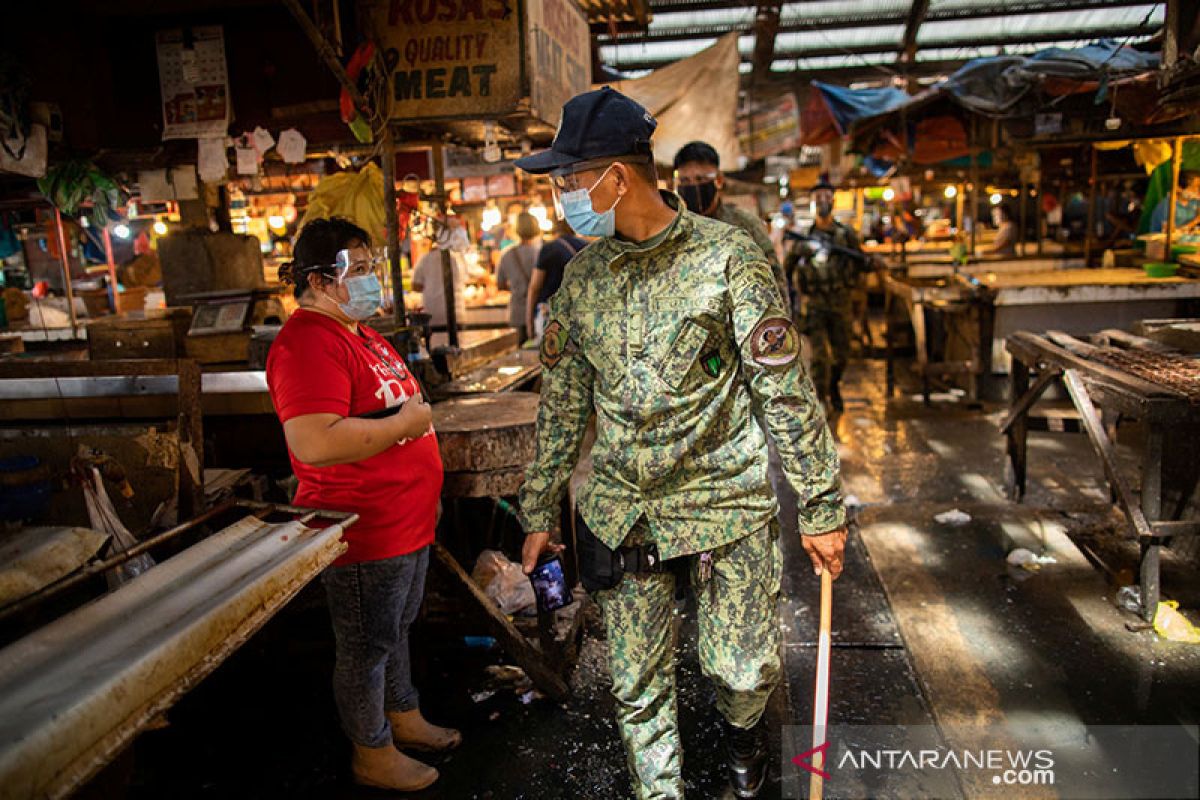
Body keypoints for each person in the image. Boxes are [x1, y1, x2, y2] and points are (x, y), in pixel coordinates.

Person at [514, 87, 847, 800]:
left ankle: (742, 741)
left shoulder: (730, 260)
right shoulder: (581, 279)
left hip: (724, 503)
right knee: (637, 686)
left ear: (618, 177)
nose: (561, 195)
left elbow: (782, 390)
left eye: (568, 179)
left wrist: (821, 505)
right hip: (625, 511)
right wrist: (539, 507)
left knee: (741, 668)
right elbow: (564, 403)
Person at [266, 217, 460, 792]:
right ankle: (371, 750)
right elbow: (315, 440)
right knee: (365, 647)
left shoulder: (358, 332)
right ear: (323, 279)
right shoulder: (305, 343)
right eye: (363, 267)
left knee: (396, 630)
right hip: (362, 528)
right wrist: (406, 423)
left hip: (404, 521)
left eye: (374, 264)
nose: (375, 276)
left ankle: (403, 715)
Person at [786, 178, 872, 412]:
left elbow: (862, 261)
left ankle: (834, 385)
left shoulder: (845, 236)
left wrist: (871, 263)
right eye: (818, 197)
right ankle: (822, 397)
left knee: (842, 354)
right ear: (813, 202)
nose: (823, 201)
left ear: (833, 201)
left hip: (840, 301)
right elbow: (787, 269)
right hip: (814, 303)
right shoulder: (803, 237)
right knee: (820, 356)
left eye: (827, 196)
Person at [673, 141, 790, 305]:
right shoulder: (674, 229)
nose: (693, 186)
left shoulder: (745, 225)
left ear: (718, 180)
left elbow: (774, 281)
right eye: (685, 180)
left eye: (701, 178)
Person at [526, 217, 586, 337]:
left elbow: (535, 287)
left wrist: (529, 322)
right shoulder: (586, 247)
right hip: (578, 314)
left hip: (551, 315)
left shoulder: (549, 249)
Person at [411, 220, 469, 328]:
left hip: (434, 316)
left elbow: (415, 286)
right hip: (457, 315)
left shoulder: (425, 260)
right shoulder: (457, 258)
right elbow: (465, 279)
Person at [496, 212, 541, 342]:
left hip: (517, 312)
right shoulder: (540, 252)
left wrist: (517, 286)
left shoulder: (506, 254)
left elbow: (500, 284)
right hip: (537, 311)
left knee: (519, 355)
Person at [1150, 169, 1200, 237]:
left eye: (1198, 187)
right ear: (1178, 188)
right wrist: (1192, 224)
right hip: (1162, 244)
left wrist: (1192, 224)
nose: (1197, 191)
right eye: (1193, 188)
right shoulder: (1166, 205)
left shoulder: (1194, 202)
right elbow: (1168, 232)